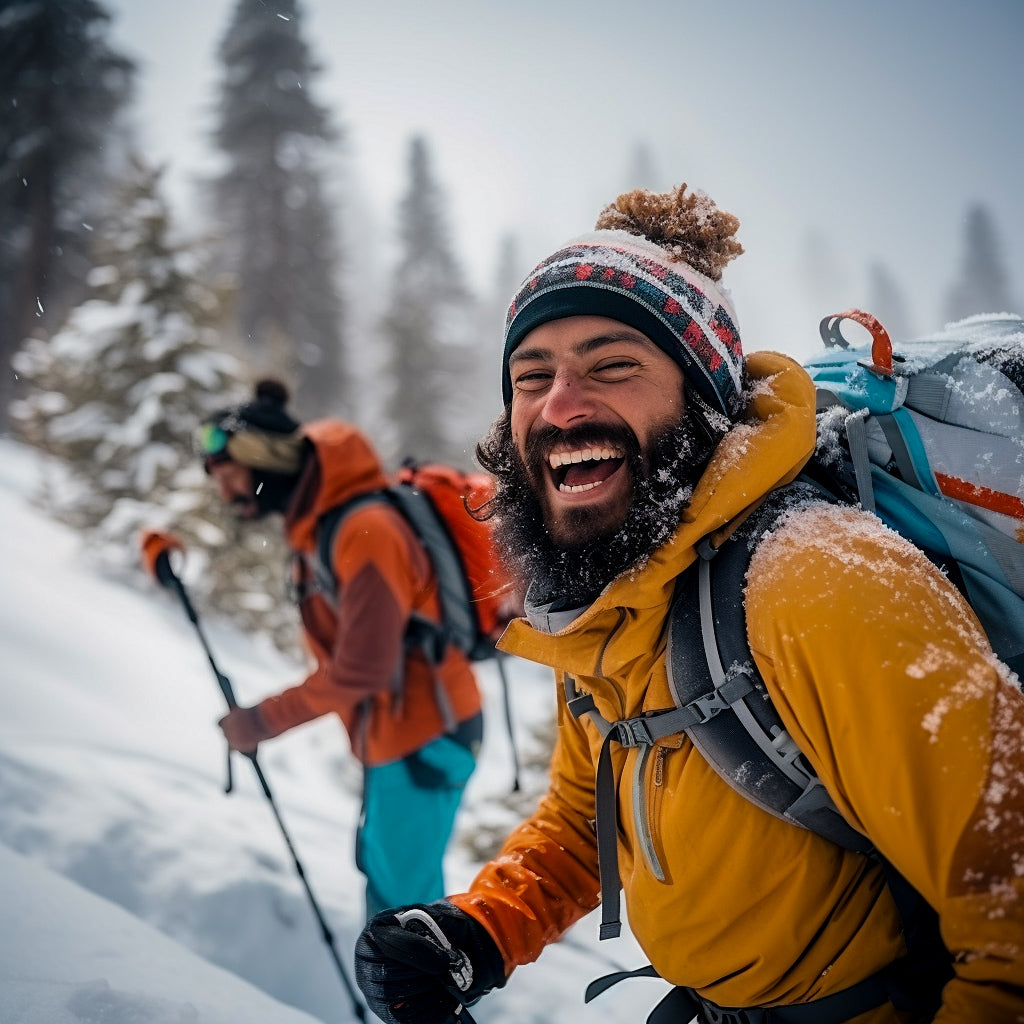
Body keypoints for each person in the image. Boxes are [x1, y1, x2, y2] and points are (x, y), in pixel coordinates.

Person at [352, 184, 1024, 1023]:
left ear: (701, 399)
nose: (560, 405)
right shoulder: (607, 598)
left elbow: (1010, 904)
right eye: (533, 377)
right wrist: (480, 929)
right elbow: (582, 814)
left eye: (612, 365)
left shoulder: (818, 581)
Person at [198, 380, 484, 919]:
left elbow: (361, 668)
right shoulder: (323, 528)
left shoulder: (364, 530)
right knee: (390, 887)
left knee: (406, 914)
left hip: (425, 735)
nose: (226, 493)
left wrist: (260, 721)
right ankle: (406, 994)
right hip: (402, 733)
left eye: (230, 475)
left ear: (265, 460)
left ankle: (424, 1001)